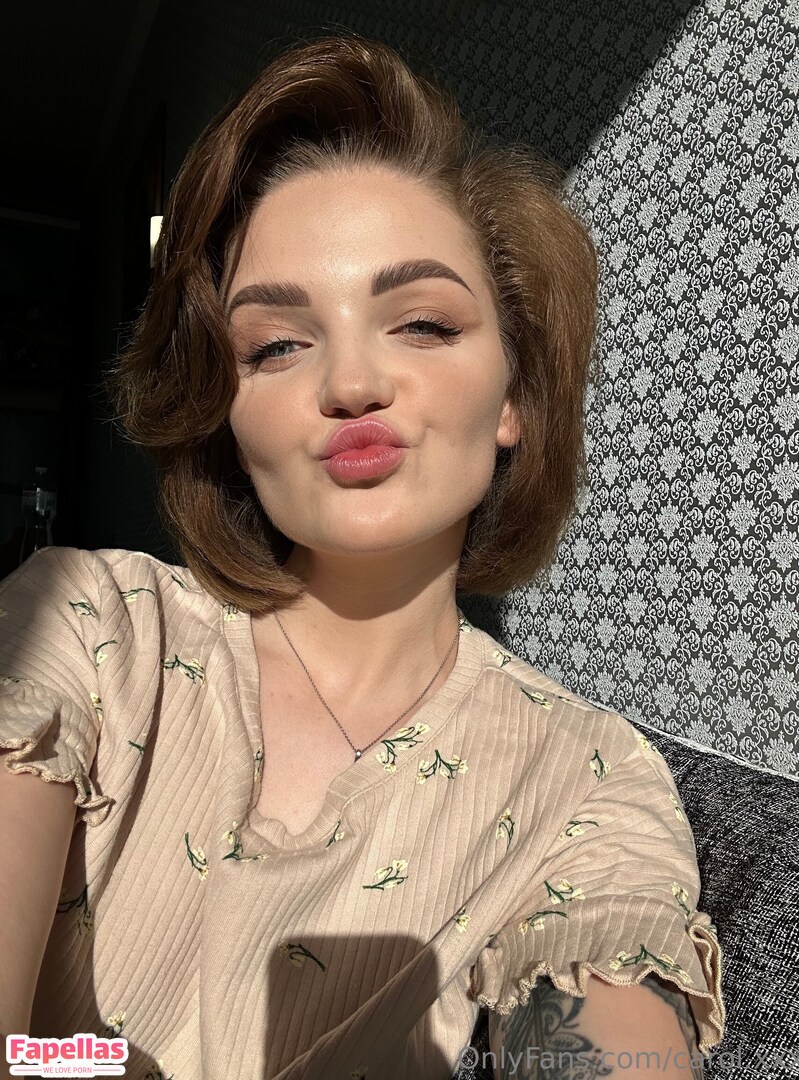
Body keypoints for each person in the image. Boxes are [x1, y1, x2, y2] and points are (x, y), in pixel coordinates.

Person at [0, 32, 724, 1080]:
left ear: (514, 396)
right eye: (276, 345)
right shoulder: (88, 624)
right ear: (227, 418)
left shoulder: (583, 779)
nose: (348, 383)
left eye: (421, 324)